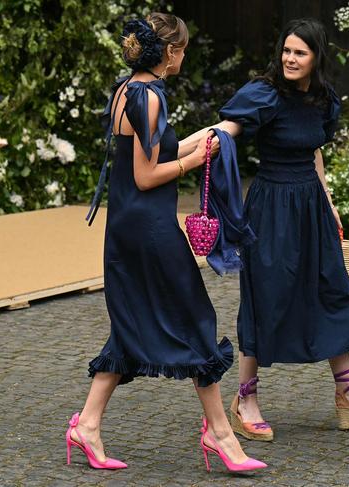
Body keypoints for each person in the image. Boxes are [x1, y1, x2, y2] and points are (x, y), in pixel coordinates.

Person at [66, 13, 266, 473]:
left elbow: (152, 153)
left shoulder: (127, 89)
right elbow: (147, 173)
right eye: (184, 49)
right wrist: (196, 160)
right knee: (194, 316)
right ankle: (219, 434)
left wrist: (209, 136)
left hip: (128, 226)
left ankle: (88, 425)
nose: (185, 56)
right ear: (170, 52)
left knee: (132, 321)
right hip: (150, 227)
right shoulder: (151, 97)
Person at [182, 18, 349, 441]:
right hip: (272, 209)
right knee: (268, 295)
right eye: (286, 51)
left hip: (311, 208)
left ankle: (348, 392)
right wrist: (167, 151)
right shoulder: (264, 94)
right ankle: (245, 399)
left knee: (331, 289)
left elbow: (314, 151)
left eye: (300, 52)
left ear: (316, 57)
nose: (290, 59)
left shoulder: (322, 100)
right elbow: (222, 131)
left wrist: (330, 205)